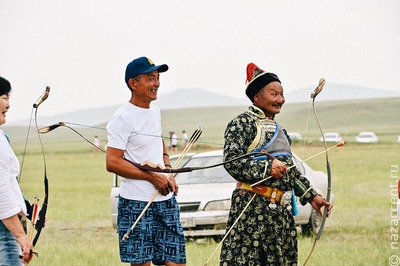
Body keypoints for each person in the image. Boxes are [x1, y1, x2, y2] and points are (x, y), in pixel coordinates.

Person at [219, 63, 333, 265]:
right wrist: (266, 168)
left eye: (282, 94)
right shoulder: (242, 123)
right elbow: (231, 161)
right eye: (274, 94)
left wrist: (312, 197)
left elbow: (292, 174)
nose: (280, 99)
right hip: (251, 210)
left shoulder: (282, 131)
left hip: (281, 214)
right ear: (257, 97)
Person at [106, 57, 186, 266]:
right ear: (134, 83)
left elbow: (158, 143)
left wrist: (167, 171)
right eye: (151, 78)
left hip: (165, 200)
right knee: (142, 263)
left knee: (176, 261)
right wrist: (152, 177)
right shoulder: (122, 117)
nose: (157, 83)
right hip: (135, 203)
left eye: (158, 78)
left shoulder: (155, 112)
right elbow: (112, 162)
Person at [0, 76, 34, 265]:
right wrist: (21, 236)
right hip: (4, 230)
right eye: (4, 97)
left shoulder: (2, 135)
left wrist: (26, 207)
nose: (8, 104)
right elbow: (2, 191)